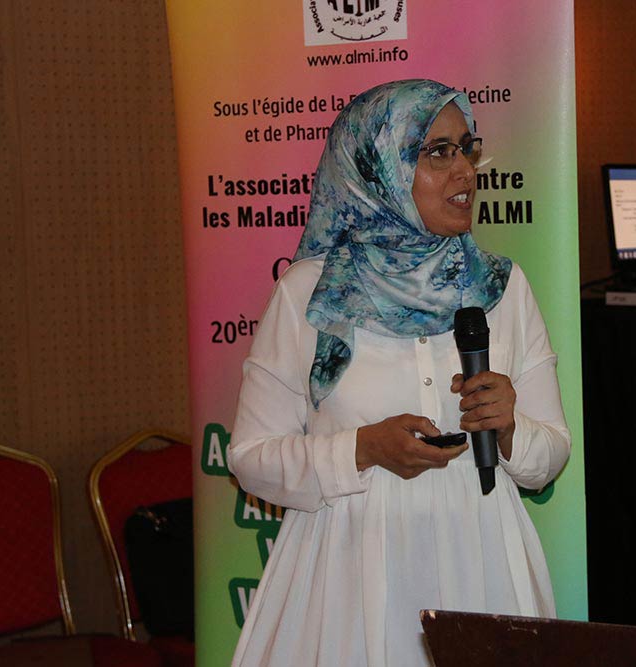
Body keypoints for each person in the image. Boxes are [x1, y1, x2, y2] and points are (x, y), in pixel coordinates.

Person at [227, 79, 571, 667]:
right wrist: (361, 449)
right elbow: (250, 457)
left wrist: (511, 430)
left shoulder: (502, 287)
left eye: (467, 148)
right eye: (436, 152)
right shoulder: (308, 293)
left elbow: (550, 457)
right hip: (347, 572)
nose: (464, 171)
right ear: (377, 167)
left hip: (484, 562)